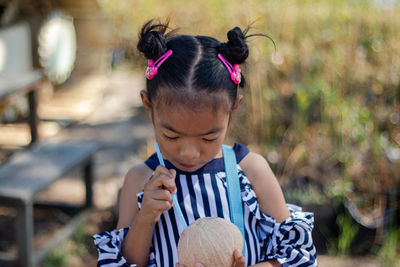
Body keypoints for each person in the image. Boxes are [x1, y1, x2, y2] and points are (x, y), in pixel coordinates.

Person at [93, 19, 317, 267]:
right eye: (172, 136)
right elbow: (123, 262)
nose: (189, 153)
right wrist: (145, 216)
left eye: (209, 138)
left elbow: (296, 254)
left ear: (234, 108)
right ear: (148, 106)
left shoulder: (251, 171)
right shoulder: (139, 180)